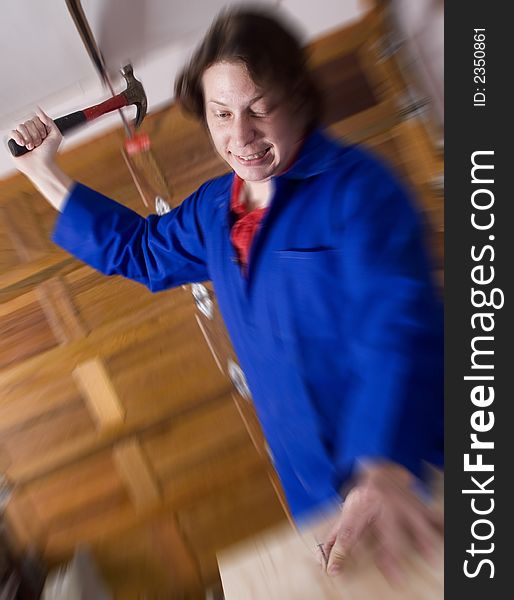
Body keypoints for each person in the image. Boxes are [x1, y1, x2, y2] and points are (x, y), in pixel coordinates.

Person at [10, 6, 443, 584]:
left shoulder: (359, 192)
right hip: (314, 495)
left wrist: (382, 467)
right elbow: (137, 250)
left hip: (409, 475)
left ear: (299, 98)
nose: (241, 136)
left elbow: (399, 327)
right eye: (221, 114)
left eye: (259, 108)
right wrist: (44, 172)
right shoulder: (215, 210)